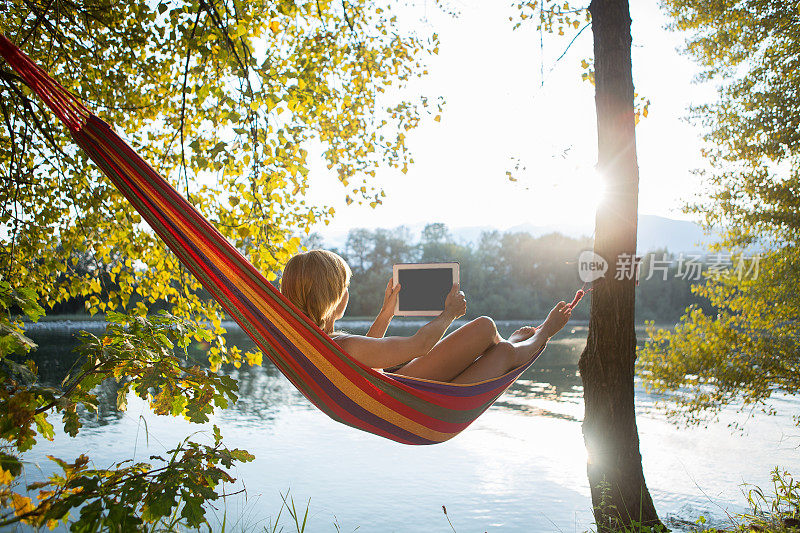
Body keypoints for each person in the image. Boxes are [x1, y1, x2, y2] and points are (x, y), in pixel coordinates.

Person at [279, 249, 572, 384]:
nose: (348, 293)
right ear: (336, 298)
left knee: (503, 352)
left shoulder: (320, 345)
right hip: (405, 396)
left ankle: (515, 342)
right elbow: (419, 346)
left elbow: (367, 364)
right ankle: (545, 332)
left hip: (399, 394)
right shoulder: (342, 346)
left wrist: (385, 314)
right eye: (346, 287)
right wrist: (449, 314)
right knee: (484, 328)